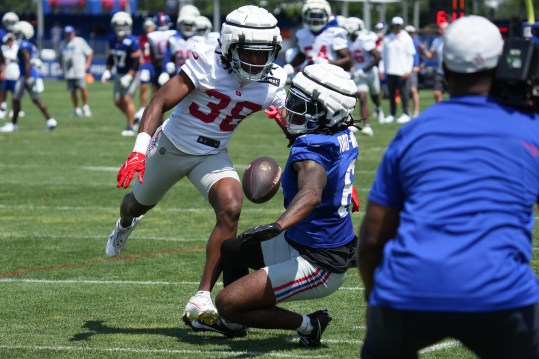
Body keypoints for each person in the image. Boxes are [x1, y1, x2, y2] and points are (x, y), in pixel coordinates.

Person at [358, 15, 539, 358]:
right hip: (501, 295)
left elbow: (371, 241)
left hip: (407, 292)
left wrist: (375, 302)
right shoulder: (530, 129)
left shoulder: (412, 134)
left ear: (444, 66)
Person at [104, 5, 287, 327]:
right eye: (250, 53)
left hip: (213, 154)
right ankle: (124, 225)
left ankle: (202, 295)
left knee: (230, 209)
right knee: (135, 204)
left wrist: (327, 165)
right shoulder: (206, 62)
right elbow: (160, 100)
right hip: (171, 146)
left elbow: (295, 126)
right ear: (230, 47)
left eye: (265, 53)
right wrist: (138, 151)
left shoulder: (273, 81)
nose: (258, 61)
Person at [185, 63, 359, 348]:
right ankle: (234, 324)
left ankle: (308, 325)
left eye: (302, 105)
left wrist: (277, 225)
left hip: (319, 262)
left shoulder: (311, 152)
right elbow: (331, 169)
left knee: (227, 302)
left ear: (325, 112)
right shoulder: (343, 134)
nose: (292, 109)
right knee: (234, 249)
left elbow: (312, 193)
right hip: (307, 241)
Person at [0, 21, 57, 133]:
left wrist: (26, 77)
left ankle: (13, 125)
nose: (15, 34)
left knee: (16, 100)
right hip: (29, 75)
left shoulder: (23, 45)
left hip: (26, 76)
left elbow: (26, 60)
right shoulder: (29, 44)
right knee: (35, 99)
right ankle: (51, 120)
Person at [101, 11, 141, 136]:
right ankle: (133, 118)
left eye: (122, 25)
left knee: (127, 99)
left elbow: (136, 61)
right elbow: (111, 57)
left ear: (128, 26)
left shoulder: (132, 41)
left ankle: (130, 127)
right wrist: (107, 70)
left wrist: (130, 75)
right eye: (118, 25)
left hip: (131, 74)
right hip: (119, 73)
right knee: (117, 101)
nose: (120, 28)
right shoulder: (112, 40)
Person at [289, 0, 351, 74]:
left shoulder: (334, 33)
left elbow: (348, 60)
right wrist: (290, 66)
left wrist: (329, 63)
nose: (315, 19)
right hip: (310, 73)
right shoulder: (303, 34)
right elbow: (302, 56)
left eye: (319, 15)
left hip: (330, 74)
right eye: (312, 15)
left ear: (327, 15)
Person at [347, 17, 383, 136]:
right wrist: (352, 68)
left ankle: (378, 108)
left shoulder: (365, 39)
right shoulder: (348, 41)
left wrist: (364, 69)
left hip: (370, 72)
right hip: (359, 74)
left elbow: (377, 57)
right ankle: (367, 125)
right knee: (362, 98)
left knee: (375, 95)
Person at [381, 16, 415, 124]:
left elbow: (411, 56)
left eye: (399, 25)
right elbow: (383, 56)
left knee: (404, 94)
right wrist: (382, 69)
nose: (397, 27)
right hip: (391, 70)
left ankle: (406, 113)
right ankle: (393, 114)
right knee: (391, 94)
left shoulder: (406, 38)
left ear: (401, 26)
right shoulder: (387, 39)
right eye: (395, 25)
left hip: (402, 71)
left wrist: (408, 71)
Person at [59, 25, 93, 118]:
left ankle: (86, 108)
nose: (68, 35)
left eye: (70, 33)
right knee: (72, 90)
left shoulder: (79, 41)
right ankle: (76, 109)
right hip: (69, 72)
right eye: (66, 33)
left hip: (79, 70)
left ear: (73, 33)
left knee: (82, 88)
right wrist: (62, 67)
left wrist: (87, 65)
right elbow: (59, 56)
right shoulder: (63, 43)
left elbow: (89, 52)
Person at [418, 22, 448, 103]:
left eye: (442, 28)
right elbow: (430, 55)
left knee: (454, 96)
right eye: (440, 28)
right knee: (436, 93)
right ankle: (442, 111)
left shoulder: (453, 41)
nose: (439, 30)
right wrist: (423, 50)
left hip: (452, 72)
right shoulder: (437, 41)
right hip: (440, 72)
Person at [134, 17, 157, 122]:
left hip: (154, 64)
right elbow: (138, 49)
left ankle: (152, 106)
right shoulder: (141, 38)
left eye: (150, 26)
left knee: (154, 87)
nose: (148, 28)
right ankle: (142, 107)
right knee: (143, 86)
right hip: (146, 64)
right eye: (147, 26)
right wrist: (141, 57)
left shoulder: (157, 37)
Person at [405, 25, 421, 118]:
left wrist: (420, 66)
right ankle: (407, 111)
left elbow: (425, 54)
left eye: (411, 33)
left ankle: (416, 110)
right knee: (406, 91)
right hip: (404, 69)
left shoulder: (416, 43)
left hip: (412, 69)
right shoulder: (403, 43)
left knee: (413, 90)